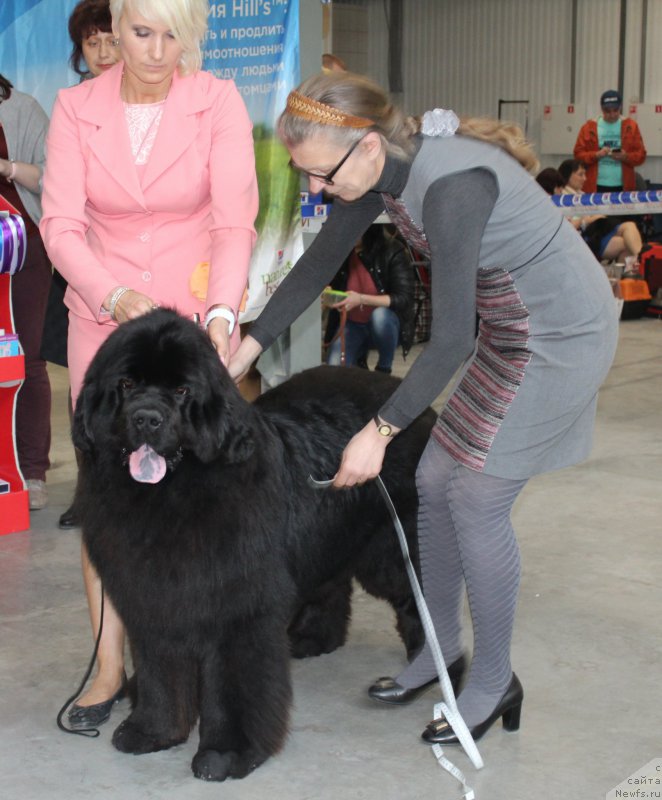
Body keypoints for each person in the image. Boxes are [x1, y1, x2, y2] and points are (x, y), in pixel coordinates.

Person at [229, 72, 618, 746]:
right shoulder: (378, 172)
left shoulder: (452, 186)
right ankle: (437, 656)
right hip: (507, 329)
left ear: (370, 147)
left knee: (475, 500)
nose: (319, 190)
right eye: (309, 178)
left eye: (323, 176)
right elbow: (315, 264)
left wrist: (377, 431)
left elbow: (448, 343)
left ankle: (493, 682)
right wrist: (244, 349)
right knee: (436, 482)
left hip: (562, 336)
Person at [40, 0, 258, 730]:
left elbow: (234, 221)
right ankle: (108, 668)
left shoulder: (216, 102)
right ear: (116, 30)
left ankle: (194, 652)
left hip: (193, 329)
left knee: (201, 495)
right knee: (108, 503)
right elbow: (62, 224)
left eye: (174, 36)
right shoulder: (76, 109)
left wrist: (223, 314)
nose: (159, 52)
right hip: (104, 325)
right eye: (143, 33)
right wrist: (111, 291)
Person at [46, 0, 122, 531]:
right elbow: (62, 213)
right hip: (88, 286)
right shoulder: (72, 107)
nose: (101, 51)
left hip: (162, 288)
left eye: (110, 39)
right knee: (86, 409)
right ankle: (90, 496)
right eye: (91, 42)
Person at [0, 74, 52, 511]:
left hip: (23, 249)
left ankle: (32, 471)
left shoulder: (23, 108)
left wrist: (7, 167)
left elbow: (52, 179)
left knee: (26, 357)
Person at [325, 223, 415, 373]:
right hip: (352, 323)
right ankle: (359, 361)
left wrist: (361, 299)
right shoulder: (344, 253)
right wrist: (329, 293)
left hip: (385, 324)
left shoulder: (393, 250)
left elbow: (403, 298)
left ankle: (384, 367)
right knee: (333, 369)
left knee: (380, 316)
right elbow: (334, 284)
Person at [558, 157, 644, 261]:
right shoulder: (562, 199)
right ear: (567, 175)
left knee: (630, 225)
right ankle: (641, 259)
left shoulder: (583, 195)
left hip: (597, 230)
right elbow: (571, 224)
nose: (585, 178)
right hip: (585, 237)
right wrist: (588, 220)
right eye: (580, 174)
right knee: (625, 243)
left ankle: (638, 260)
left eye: (585, 174)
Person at [573, 90, 646, 193]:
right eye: (607, 111)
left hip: (624, 186)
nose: (612, 115)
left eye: (615, 110)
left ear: (620, 107)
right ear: (602, 109)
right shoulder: (588, 128)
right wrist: (596, 155)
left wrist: (626, 157)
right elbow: (578, 155)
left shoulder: (631, 127)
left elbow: (641, 155)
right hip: (594, 186)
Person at [69, 0, 120, 79]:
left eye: (113, 42)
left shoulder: (145, 90)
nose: (103, 54)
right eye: (93, 44)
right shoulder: (72, 91)